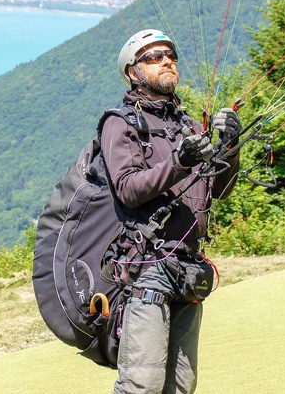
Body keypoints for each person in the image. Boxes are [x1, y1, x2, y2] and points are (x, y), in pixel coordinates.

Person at [101, 28, 241, 394]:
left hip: (189, 267)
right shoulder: (122, 123)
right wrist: (180, 161)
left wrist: (231, 147)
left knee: (181, 384)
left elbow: (218, 190)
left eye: (170, 55)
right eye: (152, 56)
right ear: (133, 72)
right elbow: (129, 189)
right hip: (147, 266)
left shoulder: (188, 126)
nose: (165, 61)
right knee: (142, 384)